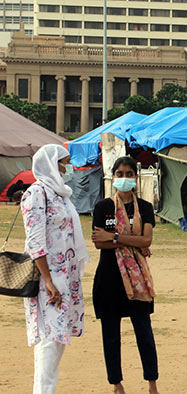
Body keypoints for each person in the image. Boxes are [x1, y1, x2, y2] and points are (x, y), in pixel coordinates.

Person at [20, 145, 89, 394]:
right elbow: (35, 242)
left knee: (57, 339)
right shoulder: (36, 194)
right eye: (64, 162)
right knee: (48, 342)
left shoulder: (61, 194)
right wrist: (48, 280)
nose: (67, 168)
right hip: (46, 280)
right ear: (51, 164)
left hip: (64, 276)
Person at [91, 156, 159, 394]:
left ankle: (152, 383)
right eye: (119, 174)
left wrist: (116, 238)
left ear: (136, 178)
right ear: (113, 177)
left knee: (144, 332)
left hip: (137, 281)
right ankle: (117, 384)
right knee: (111, 335)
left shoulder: (146, 208)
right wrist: (134, 242)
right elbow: (99, 243)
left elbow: (147, 240)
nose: (124, 178)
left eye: (129, 174)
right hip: (109, 280)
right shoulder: (103, 208)